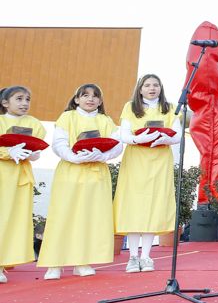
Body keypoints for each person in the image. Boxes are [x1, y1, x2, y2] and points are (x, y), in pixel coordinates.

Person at [37, 84, 123, 279]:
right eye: (85, 95)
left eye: (95, 97)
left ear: (100, 102)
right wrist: (75, 158)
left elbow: (117, 146)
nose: (90, 99)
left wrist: (101, 155)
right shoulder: (68, 117)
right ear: (76, 99)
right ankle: (54, 263)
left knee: (89, 217)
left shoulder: (105, 120)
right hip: (71, 173)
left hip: (96, 175)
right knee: (63, 216)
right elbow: (59, 143)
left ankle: (82, 261)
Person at [114, 74, 182, 272]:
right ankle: (133, 256)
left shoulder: (169, 108)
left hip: (160, 160)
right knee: (135, 205)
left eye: (156, 85)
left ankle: (146, 256)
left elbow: (177, 134)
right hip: (136, 160)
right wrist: (139, 139)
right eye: (147, 85)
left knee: (154, 204)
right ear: (140, 88)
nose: (152, 88)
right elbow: (124, 134)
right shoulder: (130, 107)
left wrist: (164, 139)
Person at [0, 86, 45, 283]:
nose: (24, 103)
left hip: (20, 178)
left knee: (13, 221)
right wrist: (7, 152)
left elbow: (36, 148)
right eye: (19, 99)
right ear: (4, 102)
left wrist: (34, 153)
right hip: (2, 175)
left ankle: (3, 264)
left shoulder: (33, 123)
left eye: (27, 99)